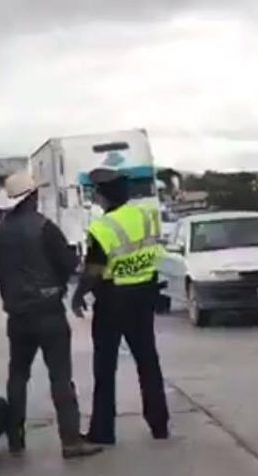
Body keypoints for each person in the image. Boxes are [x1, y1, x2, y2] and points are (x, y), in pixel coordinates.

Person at [0, 171, 104, 459]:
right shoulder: (45, 228)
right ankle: (70, 440)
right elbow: (68, 264)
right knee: (60, 377)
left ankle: (15, 437)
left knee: (18, 375)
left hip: (17, 316)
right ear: (33, 197)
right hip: (49, 312)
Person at [71, 168, 170, 445]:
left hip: (113, 301)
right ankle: (159, 424)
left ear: (101, 196)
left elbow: (93, 270)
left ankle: (103, 431)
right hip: (143, 296)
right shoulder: (145, 217)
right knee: (148, 361)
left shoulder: (103, 228)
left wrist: (78, 296)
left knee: (105, 367)